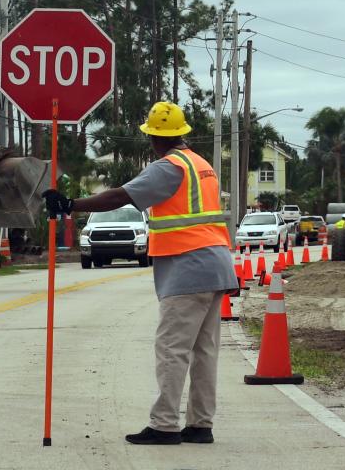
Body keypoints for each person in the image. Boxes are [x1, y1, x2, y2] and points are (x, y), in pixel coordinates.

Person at [43, 101, 237, 446]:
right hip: (216, 264)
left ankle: (164, 425)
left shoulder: (169, 167)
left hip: (187, 266)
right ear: (181, 132)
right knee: (204, 351)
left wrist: (72, 205)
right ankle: (200, 424)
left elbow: (122, 196)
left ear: (153, 138)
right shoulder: (200, 164)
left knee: (172, 349)